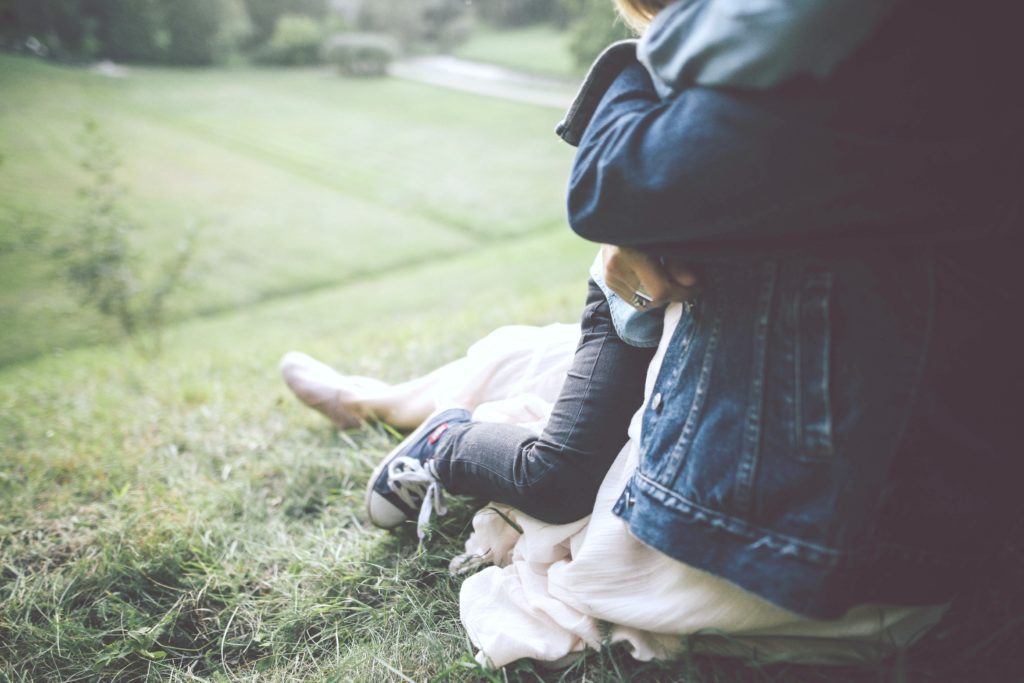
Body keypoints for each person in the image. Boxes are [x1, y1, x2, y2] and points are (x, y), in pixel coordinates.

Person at [283, 0, 1021, 667]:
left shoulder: (871, 60)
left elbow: (610, 183)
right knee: (552, 371)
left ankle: (443, 437)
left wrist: (648, 111)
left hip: (850, 502)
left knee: (559, 465)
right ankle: (384, 402)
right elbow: (630, 193)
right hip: (728, 360)